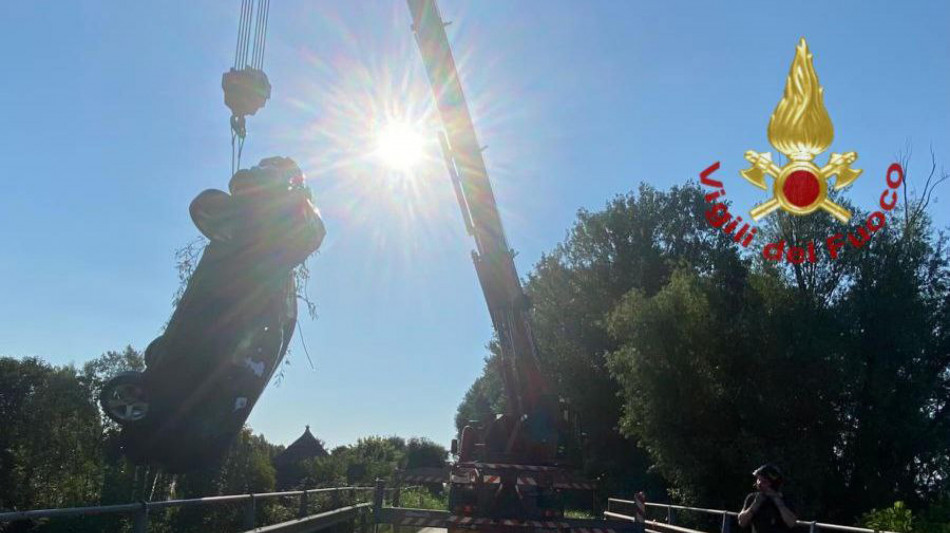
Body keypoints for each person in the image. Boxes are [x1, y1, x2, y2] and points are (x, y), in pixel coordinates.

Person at [738, 463, 798, 532]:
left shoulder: (785, 500)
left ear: (773, 483)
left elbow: (791, 523)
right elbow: (742, 522)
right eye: (758, 480)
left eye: (764, 481)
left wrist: (778, 502)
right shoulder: (752, 498)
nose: (759, 484)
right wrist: (755, 505)